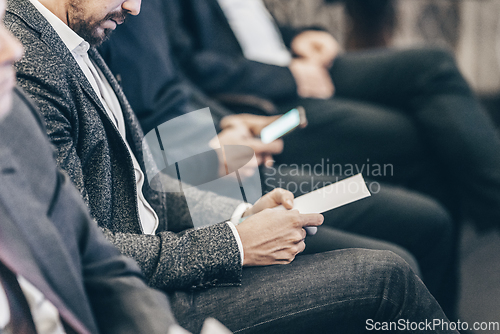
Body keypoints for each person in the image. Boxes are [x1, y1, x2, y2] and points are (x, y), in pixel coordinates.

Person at [5, 0, 461, 332]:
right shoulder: (30, 60)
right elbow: (87, 249)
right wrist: (235, 240)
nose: (136, 8)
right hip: (148, 290)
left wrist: (241, 214)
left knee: (410, 237)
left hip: (181, 200)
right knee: (389, 275)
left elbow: (142, 170)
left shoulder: (80, 35)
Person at [165, 0, 500, 234]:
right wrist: (290, 77)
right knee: (424, 137)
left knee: (432, 64)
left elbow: (245, 23)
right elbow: (186, 66)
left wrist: (300, 35)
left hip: (289, 61)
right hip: (264, 95)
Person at [0, 4, 226, 332]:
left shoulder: (16, 112)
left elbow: (94, 256)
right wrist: (234, 241)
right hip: (163, 275)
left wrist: (240, 220)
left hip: (145, 290)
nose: (13, 49)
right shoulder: (32, 69)